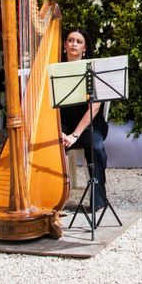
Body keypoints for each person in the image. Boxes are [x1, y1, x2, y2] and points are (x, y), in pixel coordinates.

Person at [59, 28, 108, 210]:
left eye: (78, 41)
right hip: (63, 123)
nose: (74, 44)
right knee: (48, 146)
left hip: (90, 124)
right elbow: (50, 106)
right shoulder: (55, 70)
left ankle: (98, 200)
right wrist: (59, 131)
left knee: (96, 147)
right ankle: (53, 198)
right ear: (64, 45)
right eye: (70, 40)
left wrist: (75, 134)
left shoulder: (92, 70)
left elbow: (95, 106)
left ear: (85, 48)